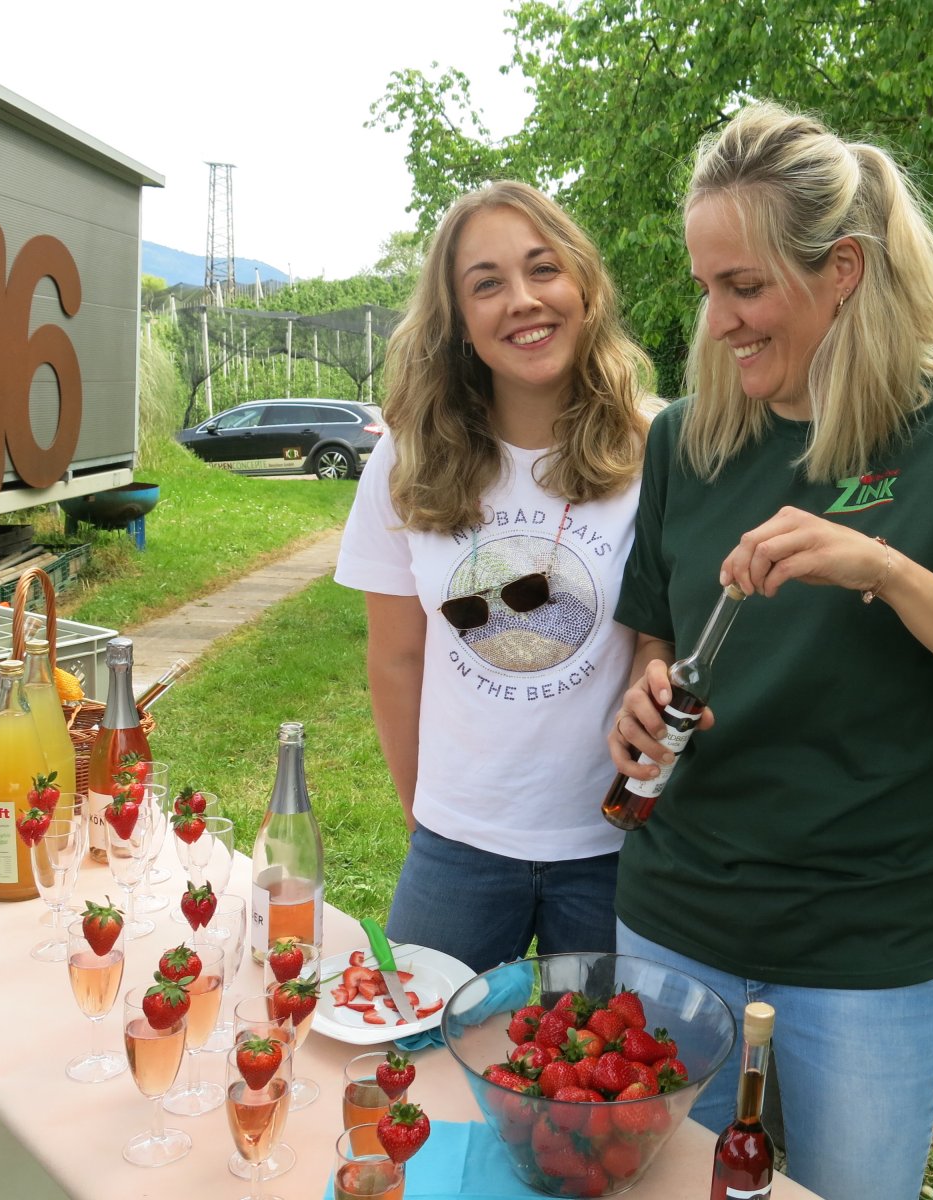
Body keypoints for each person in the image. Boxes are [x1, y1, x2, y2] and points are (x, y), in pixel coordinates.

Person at [608, 103, 933, 1199]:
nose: (721, 319)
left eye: (745, 287)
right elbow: (658, 624)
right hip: (675, 915)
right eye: (706, 287)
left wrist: (884, 568)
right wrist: (647, 682)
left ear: (841, 269)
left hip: (865, 948)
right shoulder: (685, 441)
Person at [336, 181, 655, 974]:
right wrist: (426, 814)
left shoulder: (659, 448)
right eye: (486, 283)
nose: (522, 301)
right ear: (457, 320)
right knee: (423, 1070)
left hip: (614, 846)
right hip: (460, 848)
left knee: (608, 1087)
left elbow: (662, 641)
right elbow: (396, 657)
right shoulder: (407, 458)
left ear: (582, 286)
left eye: (543, 270)